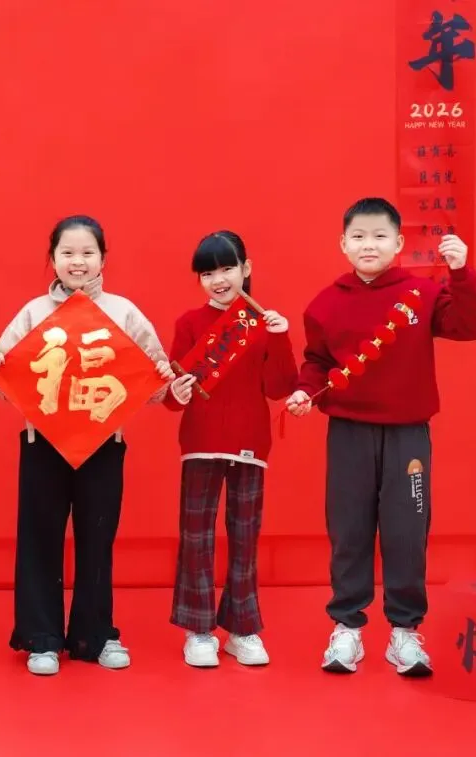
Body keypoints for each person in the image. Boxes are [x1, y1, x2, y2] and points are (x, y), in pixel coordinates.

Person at [285, 197, 476, 677]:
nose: (368, 245)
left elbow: (468, 325)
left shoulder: (421, 292)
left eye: (380, 236)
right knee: (349, 530)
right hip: (349, 432)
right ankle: (347, 628)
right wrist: (304, 392)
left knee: (406, 532)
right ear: (343, 244)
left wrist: (461, 272)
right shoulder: (326, 303)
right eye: (358, 237)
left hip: (407, 435)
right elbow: (317, 362)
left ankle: (405, 632)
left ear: (398, 243)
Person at [0, 215, 174, 675]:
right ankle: (42, 637)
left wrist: (161, 377)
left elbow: (154, 382)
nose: (77, 261)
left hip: (103, 444)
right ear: (52, 259)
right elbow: (1, 381)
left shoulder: (123, 312)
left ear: (103, 258)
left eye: (88, 252)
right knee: (39, 538)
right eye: (67, 253)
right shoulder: (33, 313)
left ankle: (96, 634)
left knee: (97, 538)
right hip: (42, 443)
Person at [164, 230, 298, 668]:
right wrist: (177, 391)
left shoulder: (263, 324)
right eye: (207, 273)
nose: (218, 280)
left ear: (246, 268)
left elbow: (279, 388)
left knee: (245, 536)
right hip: (200, 441)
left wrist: (280, 336)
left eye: (227, 269)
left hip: (250, 442)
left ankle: (242, 629)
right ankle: (199, 630)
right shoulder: (189, 323)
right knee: (196, 536)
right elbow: (171, 394)